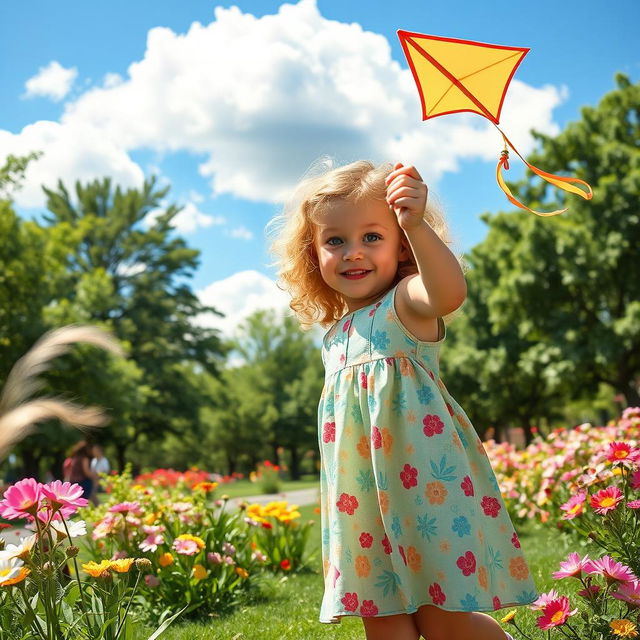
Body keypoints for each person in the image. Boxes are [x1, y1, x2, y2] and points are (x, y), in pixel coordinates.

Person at [266, 160, 537, 640]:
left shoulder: (406, 303)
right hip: (362, 503)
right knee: (382, 617)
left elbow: (448, 292)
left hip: (424, 493)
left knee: (442, 618)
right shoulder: (333, 337)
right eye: (335, 240)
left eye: (373, 237)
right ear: (313, 252)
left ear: (400, 247)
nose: (353, 253)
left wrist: (415, 223)